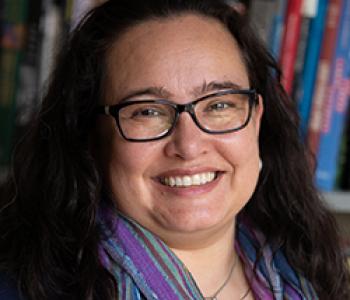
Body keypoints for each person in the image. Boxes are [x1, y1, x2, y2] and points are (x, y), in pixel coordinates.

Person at [0, 0, 349, 299]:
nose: (189, 145)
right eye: (148, 111)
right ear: (92, 138)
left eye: (219, 105)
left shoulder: (311, 276)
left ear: (257, 120)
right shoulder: (20, 288)